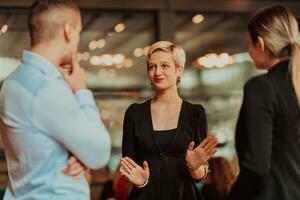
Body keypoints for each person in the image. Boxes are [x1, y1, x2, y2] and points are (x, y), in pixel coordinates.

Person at [0, 0, 111, 199]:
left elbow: (41, 145)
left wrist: (78, 156)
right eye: (78, 31)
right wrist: (82, 91)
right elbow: (99, 153)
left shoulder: (12, 82)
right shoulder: (46, 87)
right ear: (69, 30)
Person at [119, 41, 218, 200]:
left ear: (179, 70)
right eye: (152, 67)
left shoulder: (195, 113)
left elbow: (199, 175)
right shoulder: (134, 113)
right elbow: (128, 168)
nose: (157, 72)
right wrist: (139, 181)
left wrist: (195, 166)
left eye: (165, 65)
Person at [228, 5, 300, 200]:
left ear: (260, 43)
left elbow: (256, 167)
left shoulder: (261, 88)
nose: (248, 50)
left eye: (249, 43)